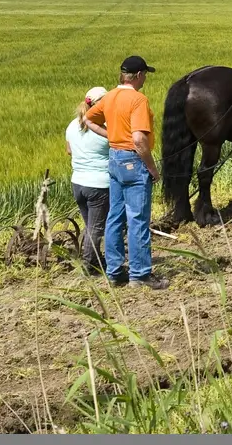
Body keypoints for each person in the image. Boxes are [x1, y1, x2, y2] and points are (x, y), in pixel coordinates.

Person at [85, 56, 168, 290]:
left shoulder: (110, 96)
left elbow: (88, 119)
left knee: (114, 218)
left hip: (114, 159)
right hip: (134, 161)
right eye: (145, 75)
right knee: (137, 219)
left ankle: (114, 271)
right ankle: (140, 274)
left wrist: (111, 136)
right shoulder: (138, 99)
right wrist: (152, 168)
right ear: (139, 75)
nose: (145, 79)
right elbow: (140, 139)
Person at [65, 86, 110, 274]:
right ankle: (90, 265)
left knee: (90, 225)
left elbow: (69, 151)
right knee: (96, 228)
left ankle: (97, 260)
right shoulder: (104, 128)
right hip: (99, 185)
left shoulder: (72, 125)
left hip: (78, 183)